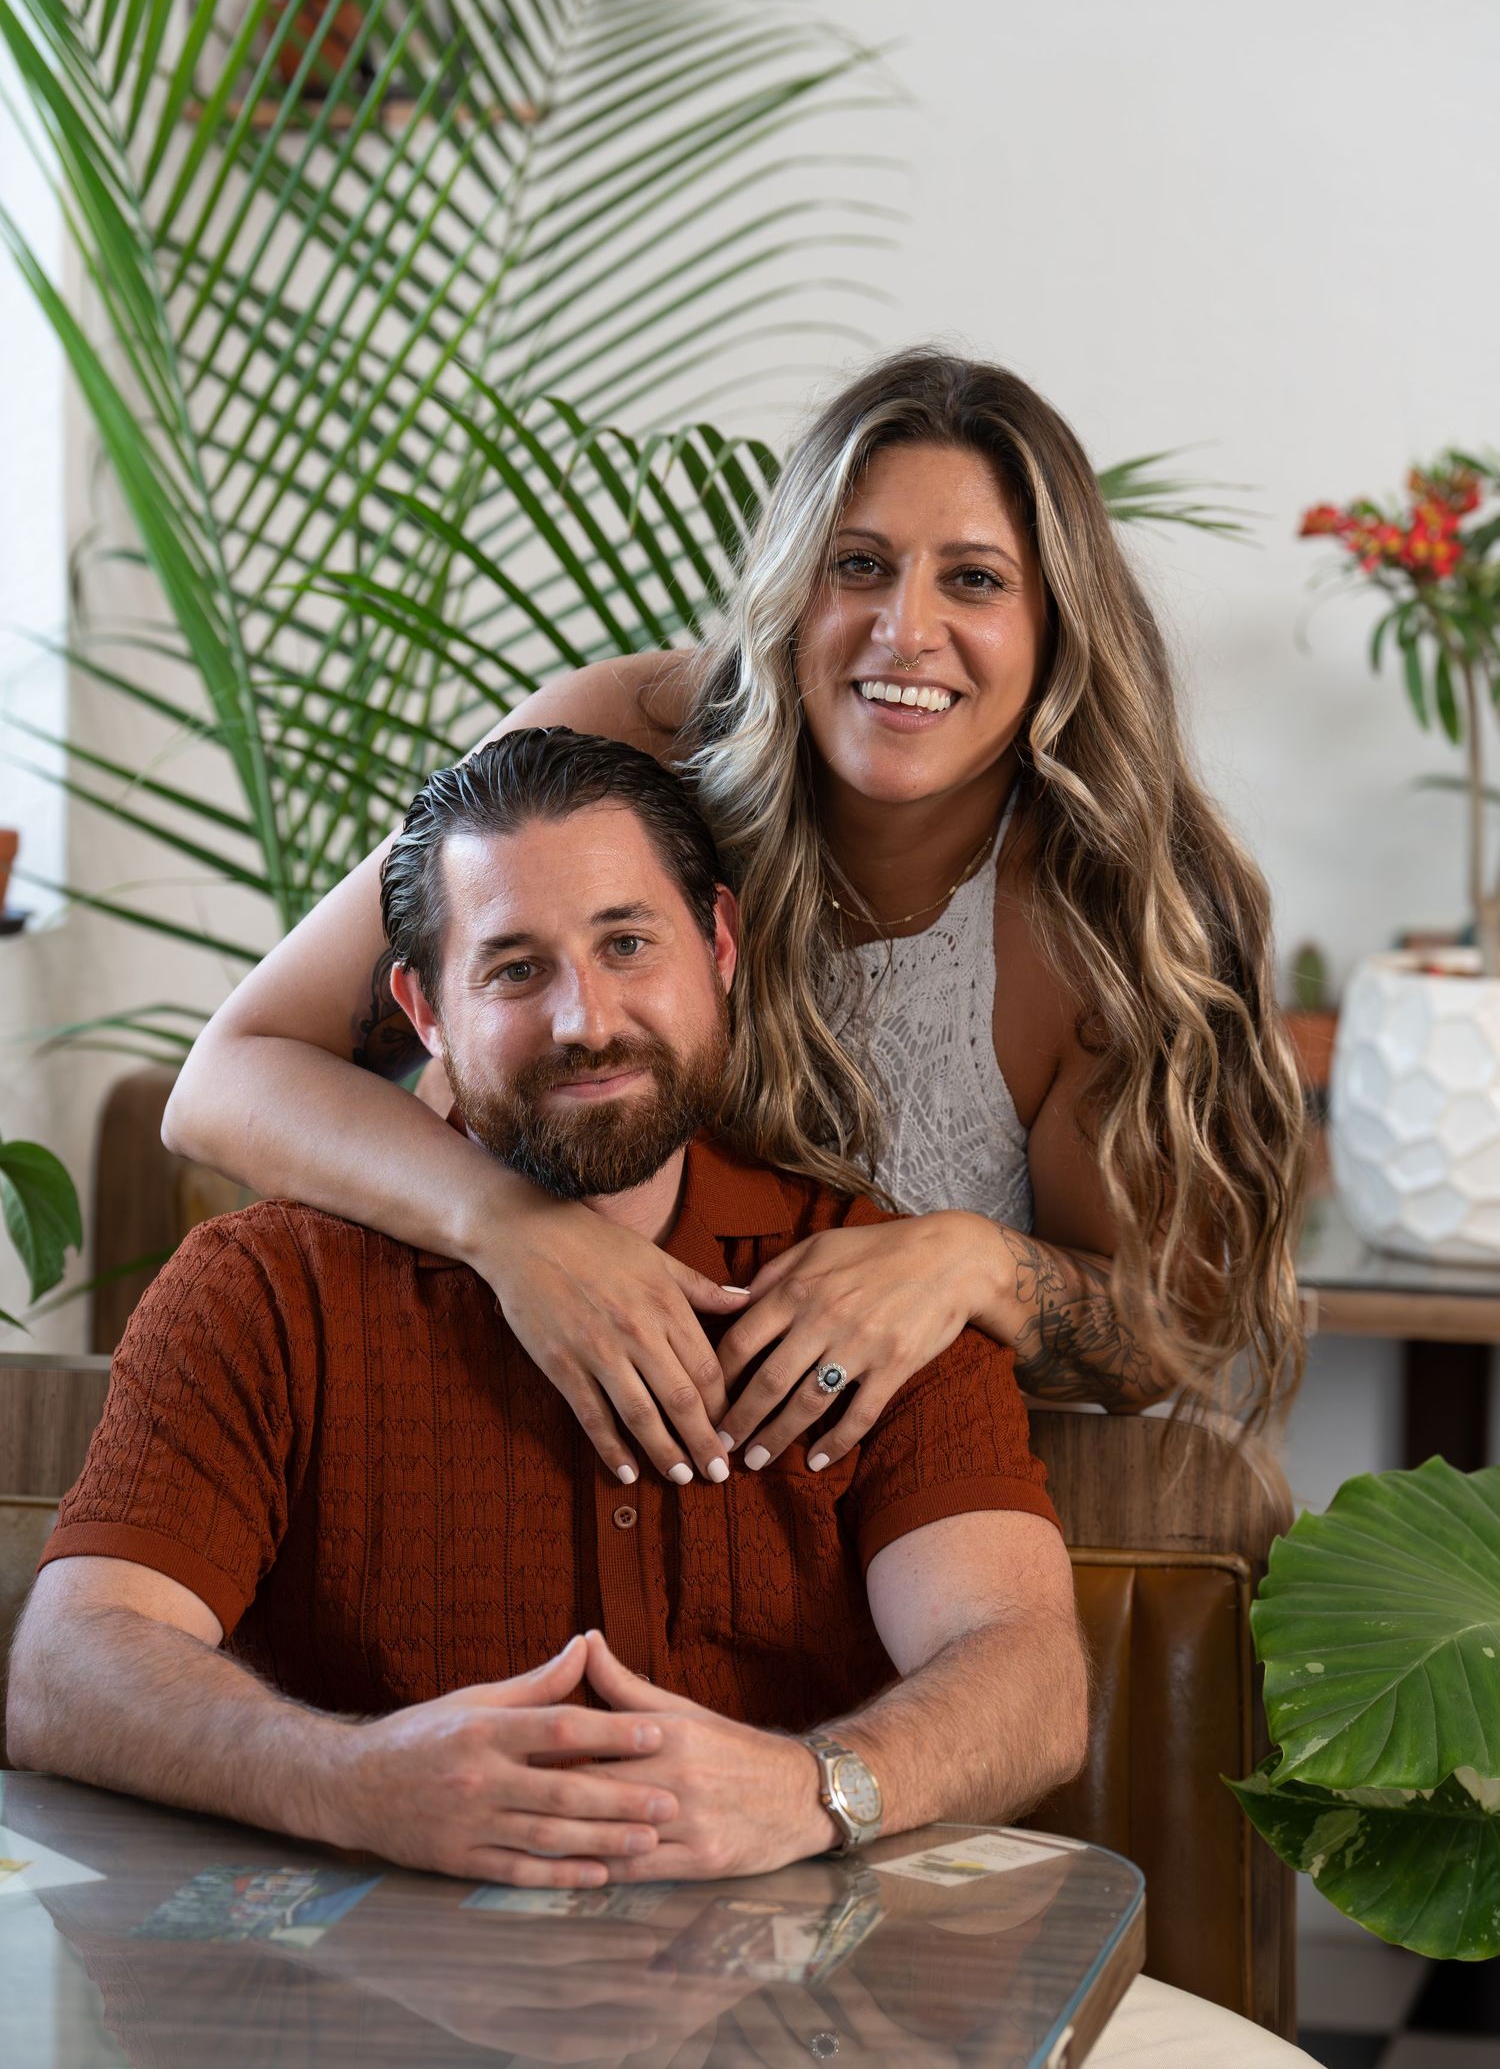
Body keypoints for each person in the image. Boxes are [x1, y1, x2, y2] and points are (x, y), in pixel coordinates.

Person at [161, 349, 1307, 1489]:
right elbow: (229, 1077)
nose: (904, 631)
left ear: (1059, 623)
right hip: (513, 1450)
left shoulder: (1110, 915)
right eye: (858, 565)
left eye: (973, 580)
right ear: (791, 589)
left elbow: (1160, 1339)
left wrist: (971, 1266)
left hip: (872, 1523)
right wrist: (512, 1229)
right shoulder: (629, 738)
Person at [8, 730, 1087, 1889]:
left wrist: (812, 1788)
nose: (585, 1019)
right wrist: (347, 1777)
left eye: (628, 943)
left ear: (719, 944)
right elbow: (67, 1669)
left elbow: (1029, 1675)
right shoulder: (267, 1291)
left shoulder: (866, 1282)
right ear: (423, 1009)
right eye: (515, 969)